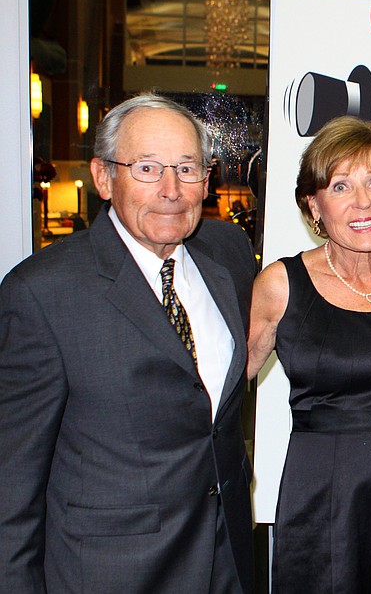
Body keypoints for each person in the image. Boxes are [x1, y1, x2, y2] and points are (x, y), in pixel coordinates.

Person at [0, 94, 257, 593]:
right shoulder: (41, 293)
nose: (171, 190)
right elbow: (12, 486)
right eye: (146, 168)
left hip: (226, 562)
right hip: (112, 571)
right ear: (103, 177)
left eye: (187, 168)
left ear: (207, 179)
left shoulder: (229, 253)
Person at [247, 116, 371, 593]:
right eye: (340, 186)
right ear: (313, 205)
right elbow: (223, 389)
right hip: (324, 501)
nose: (362, 202)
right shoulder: (280, 284)